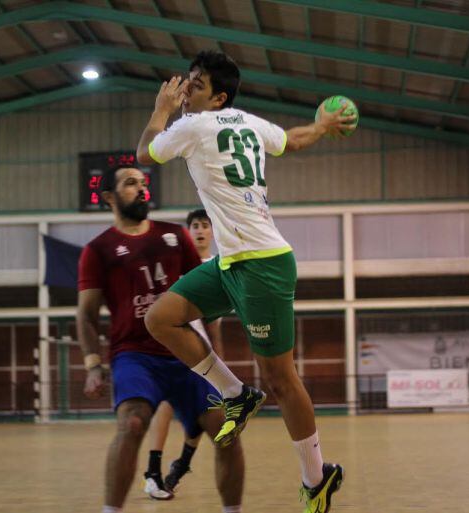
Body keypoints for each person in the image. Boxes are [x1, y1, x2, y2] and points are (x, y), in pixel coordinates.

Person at [136, 50, 356, 513]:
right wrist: (320, 127)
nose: (185, 90)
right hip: (231, 261)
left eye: (195, 85)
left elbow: (144, 153)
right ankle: (237, 393)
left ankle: (317, 479)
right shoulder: (249, 122)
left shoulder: (191, 126)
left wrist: (161, 108)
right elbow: (290, 141)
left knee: (282, 378)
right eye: (186, 82)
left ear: (217, 98)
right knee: (162, 319)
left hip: (263, 264)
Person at [75, 163, 245, 513]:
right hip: (134, 356)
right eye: (129, 183)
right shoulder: (98, 250)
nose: (140, 188)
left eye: (142, 182)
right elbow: (86, 315)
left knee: (227, 433)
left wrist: (217, 353)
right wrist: (93, 365)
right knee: (133, 422)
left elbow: (205, 297)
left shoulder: (174, 237)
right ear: (109, 197)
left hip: (186, 354)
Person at [144, 208, 224, 498]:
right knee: (166, 402)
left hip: (202, 349)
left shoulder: (219, 265)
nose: (200, 230)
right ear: (188, 232)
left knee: (205, 416)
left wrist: (219, 360)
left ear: (213, 232)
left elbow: (214, 322)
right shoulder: (178, 264)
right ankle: (153, 470)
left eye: (205, 225)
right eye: (195, 226)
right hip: (175, 344)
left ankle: (181, 464)